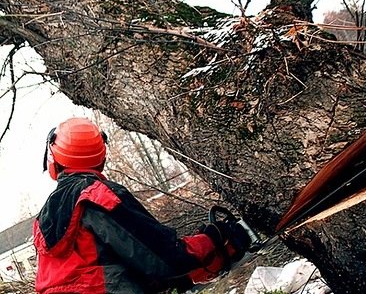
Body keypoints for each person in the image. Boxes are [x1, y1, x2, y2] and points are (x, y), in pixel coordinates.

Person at [33, 117, 252, 293]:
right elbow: (160, 256)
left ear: (55, 157)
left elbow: (117, 267)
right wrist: (213, 240)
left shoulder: (44, 217)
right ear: (101, 156)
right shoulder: (98, 196)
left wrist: (187, 276)